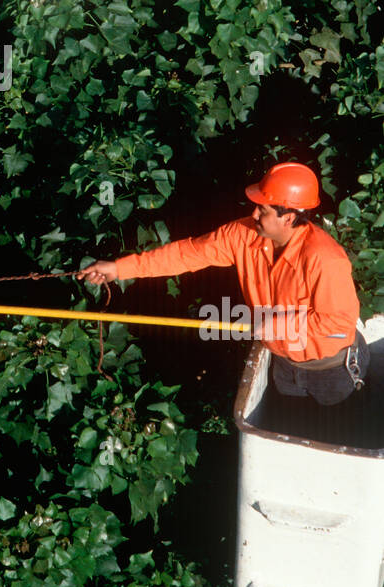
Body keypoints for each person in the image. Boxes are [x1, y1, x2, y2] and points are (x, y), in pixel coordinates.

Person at [78, 162, 368, 406]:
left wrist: (280, 325)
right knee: (292, 428)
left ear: (288, 217)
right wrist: (119, 268)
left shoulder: (324, 259)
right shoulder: (243, 234)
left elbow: (339, 323)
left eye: (263, 210)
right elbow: (186, 254)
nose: (253, 215)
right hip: (283, 363)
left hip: (332, 371)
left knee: (334, 436)